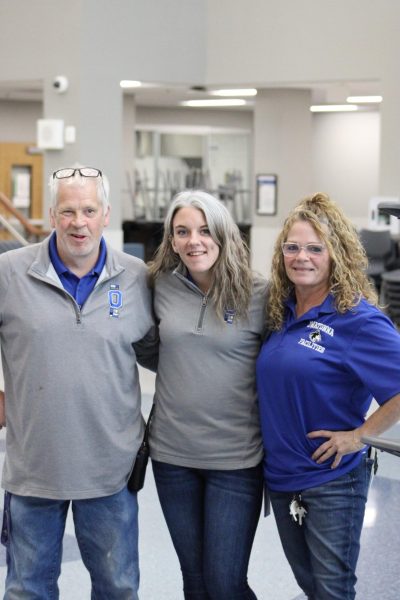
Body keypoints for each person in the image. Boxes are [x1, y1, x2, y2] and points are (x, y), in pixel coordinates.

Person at [0, 166, 157, 599]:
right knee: (27, 590)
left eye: (89, 210)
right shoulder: (9, 273)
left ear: (106, 214)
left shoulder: (136, 277)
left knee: (118, 588)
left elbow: (166, 354)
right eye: (67, 211)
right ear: (52, 215)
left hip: (110, 471)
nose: (78, 222)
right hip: (35, 470)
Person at [256, 192, 400, 600]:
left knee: (332, 590)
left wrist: (359, 435)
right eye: (293, 247)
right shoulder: (279, 313)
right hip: (283, 479)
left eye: (315, 248)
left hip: (333, 481)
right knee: (310, 586)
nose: (302, 257)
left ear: (335, 254)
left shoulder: (357, 319)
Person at [147, 190, 267, 599]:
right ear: (172, 239)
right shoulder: (158, 285)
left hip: (235, 460)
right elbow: (149, 348)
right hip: (172, 457)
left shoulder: (260, 294)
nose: (193, 241)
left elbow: (281, 366)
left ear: (223, 233)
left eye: (203, 230)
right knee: (194, 582)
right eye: (182, 231)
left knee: (225, 583)